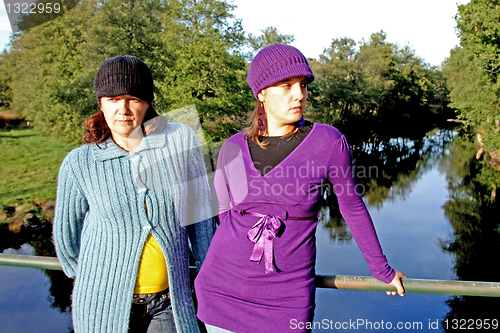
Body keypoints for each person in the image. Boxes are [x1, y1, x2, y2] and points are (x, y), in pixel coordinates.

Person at [194, 44, 407, 333]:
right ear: (261, 93)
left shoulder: (328, 142)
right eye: (286, 85)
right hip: (221, 290)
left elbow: (352, 207)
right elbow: (224, 214)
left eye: (303, 85)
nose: (299, 94)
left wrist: (381, 270)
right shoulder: (232, 148)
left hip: (287, 299)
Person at [53, 55, 215, 333]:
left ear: (148, 102)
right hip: (103, 304)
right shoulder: (79, 162)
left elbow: (200, 213)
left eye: (134, 98)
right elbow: (66, 238)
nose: (123, 109)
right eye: (113, 99)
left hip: (169, 302)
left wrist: (205, 266)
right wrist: (92, 277)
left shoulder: (180, 140)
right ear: (100, 102)